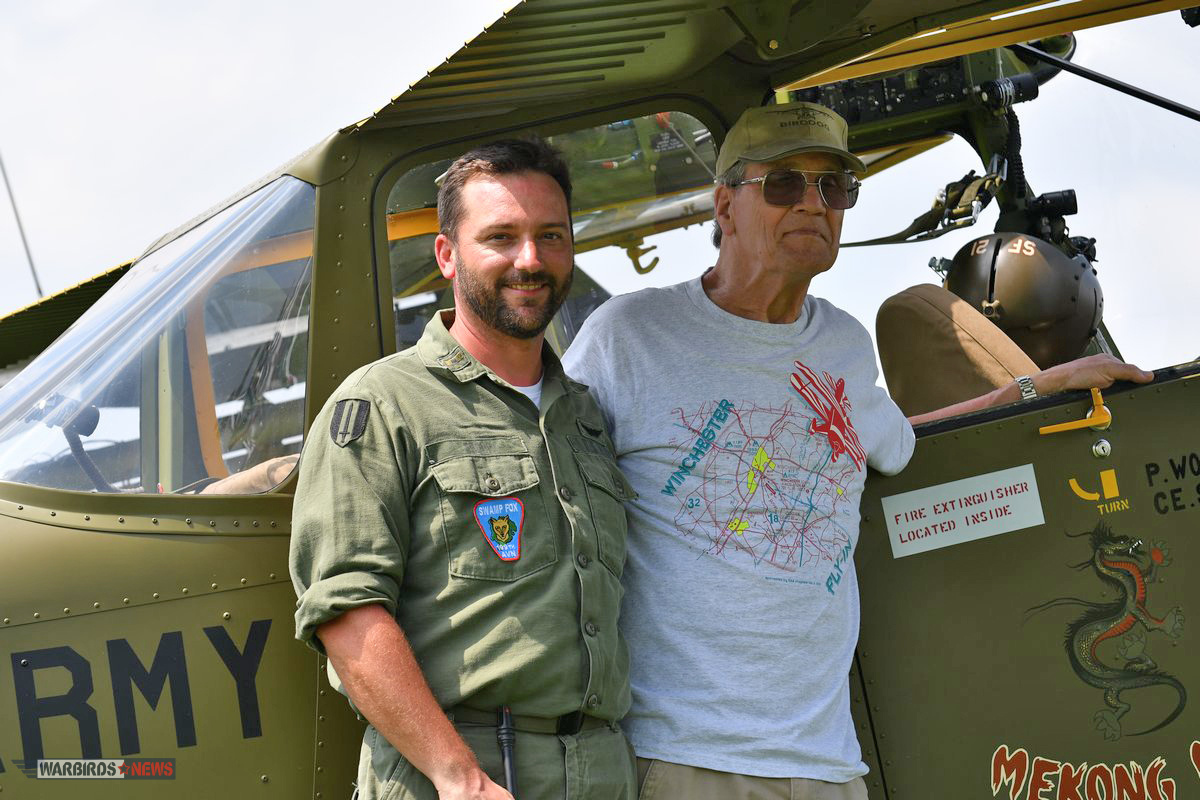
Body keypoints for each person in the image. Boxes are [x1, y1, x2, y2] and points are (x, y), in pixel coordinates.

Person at [561, 101, 1152, 799]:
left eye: (834, 188)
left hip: (827, 764)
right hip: (684, 761)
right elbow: (551, 501)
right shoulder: (627, 338)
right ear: (725, 206)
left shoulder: (840, 342)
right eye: (783, 184)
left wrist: (1038, 387)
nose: (814, 204)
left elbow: (906, 441)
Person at [290, 138, 638, 800]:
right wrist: (461, 779)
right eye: (501, 237)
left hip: (599, 767)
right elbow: (347, 614)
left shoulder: (587, 417)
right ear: (447, 254)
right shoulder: (384, 405)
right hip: (458, 770)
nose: (530, 260)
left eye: (551, 236)